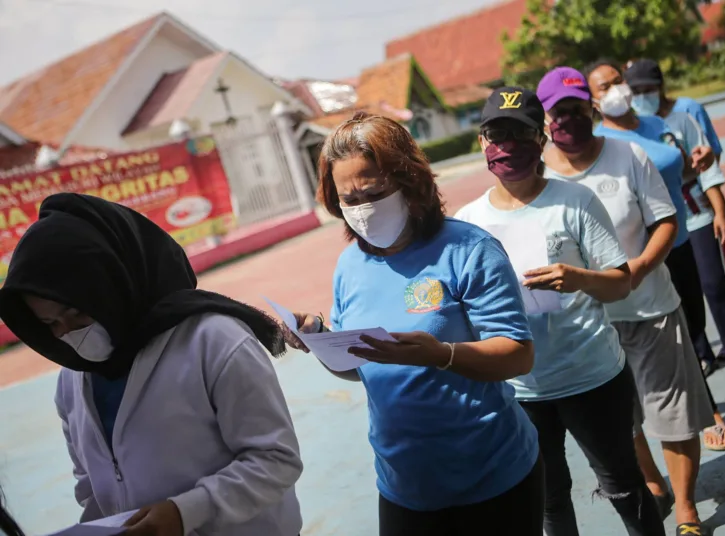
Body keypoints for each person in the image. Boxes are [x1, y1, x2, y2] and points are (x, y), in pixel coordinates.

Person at [288, 112, 544, 536]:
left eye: (373, 193)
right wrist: (317, 338)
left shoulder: (469, 249)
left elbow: (518, 354)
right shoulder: (350, 265)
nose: (362, 209)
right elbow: (357, 367)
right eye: (348, 200)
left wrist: (441, 355)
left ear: (410, 182)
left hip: (492, 477)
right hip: (405, 487)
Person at [0, 194, 303, 536]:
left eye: (77, 313)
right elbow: (90, 485)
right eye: (51, 325)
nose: (68, 334)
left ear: (114, 283)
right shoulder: (72, 381)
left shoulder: (213, 342)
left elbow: (276, 459)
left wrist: (186, 512)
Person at [454, 87, 664, 536]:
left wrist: (578, 278)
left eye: (519, 133)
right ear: (481, 141)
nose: (506, 144)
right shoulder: (468, 224)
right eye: (495, 132)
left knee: (625, 488)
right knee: (547, 500)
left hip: (592, 377)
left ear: (540, 138)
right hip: (521, 389)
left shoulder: (575, 201)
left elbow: (620, 283)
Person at [542, 64, 714, 536]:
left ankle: (685, 510)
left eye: (577, 109)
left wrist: (636, 271)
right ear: (544, 120)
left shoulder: (629, 155)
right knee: (624, 422)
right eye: (558, 112)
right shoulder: (536, 177)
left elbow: (666, 222)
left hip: (650, 308)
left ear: (591, 109)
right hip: (589, 326)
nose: (568, 120)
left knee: (674, 413)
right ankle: (654, 485)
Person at [583, 60, 725, 453]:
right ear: (593, 101)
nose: (616, 89)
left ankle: (699, 404)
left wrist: (699, 163)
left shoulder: (657, 126)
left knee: (695, 329)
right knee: (663, 341)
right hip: (639, 256)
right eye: (604, 86)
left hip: (679, 241)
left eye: (618, 81)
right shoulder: (598, 142)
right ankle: (709, 415)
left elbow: (680, 172)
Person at [626, 58, 725, 383]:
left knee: (714, 284)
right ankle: (700, 355)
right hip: (662, 226)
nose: (642, 96)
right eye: (635, 91)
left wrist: (720, 211)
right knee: (681, 293)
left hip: (698, 216)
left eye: (648, 89)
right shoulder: (632, 131)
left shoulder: (681, 119)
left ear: (661, 87)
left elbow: (707, 167)